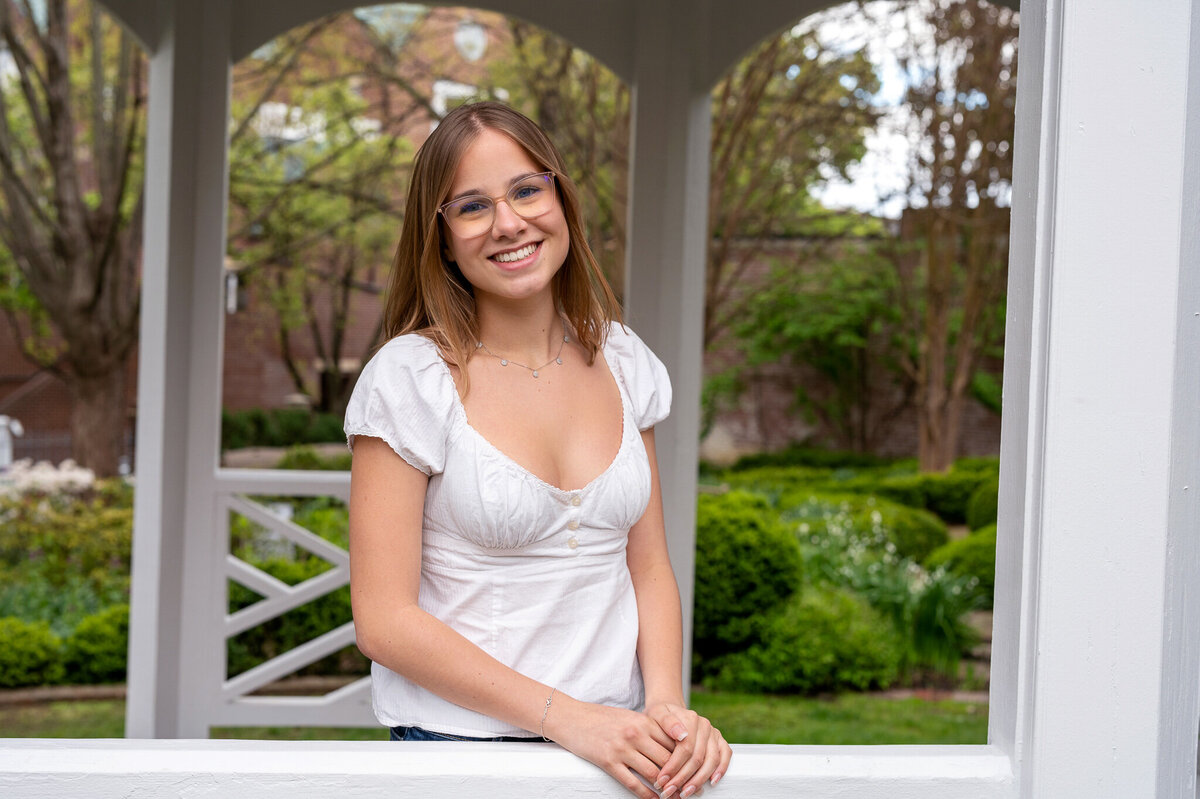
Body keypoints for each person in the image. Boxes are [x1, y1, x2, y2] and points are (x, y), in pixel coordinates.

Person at [344, 101, 732, 799]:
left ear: (560, 198)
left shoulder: (622, 359)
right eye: (472, 206)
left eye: (527, 190)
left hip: (619, 752)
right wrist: (567, 719)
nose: (509, 222)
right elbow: (384, 620)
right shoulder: (409, 380)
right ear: (441, 237)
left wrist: (666, 704)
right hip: (457, 753)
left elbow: (648, 568)